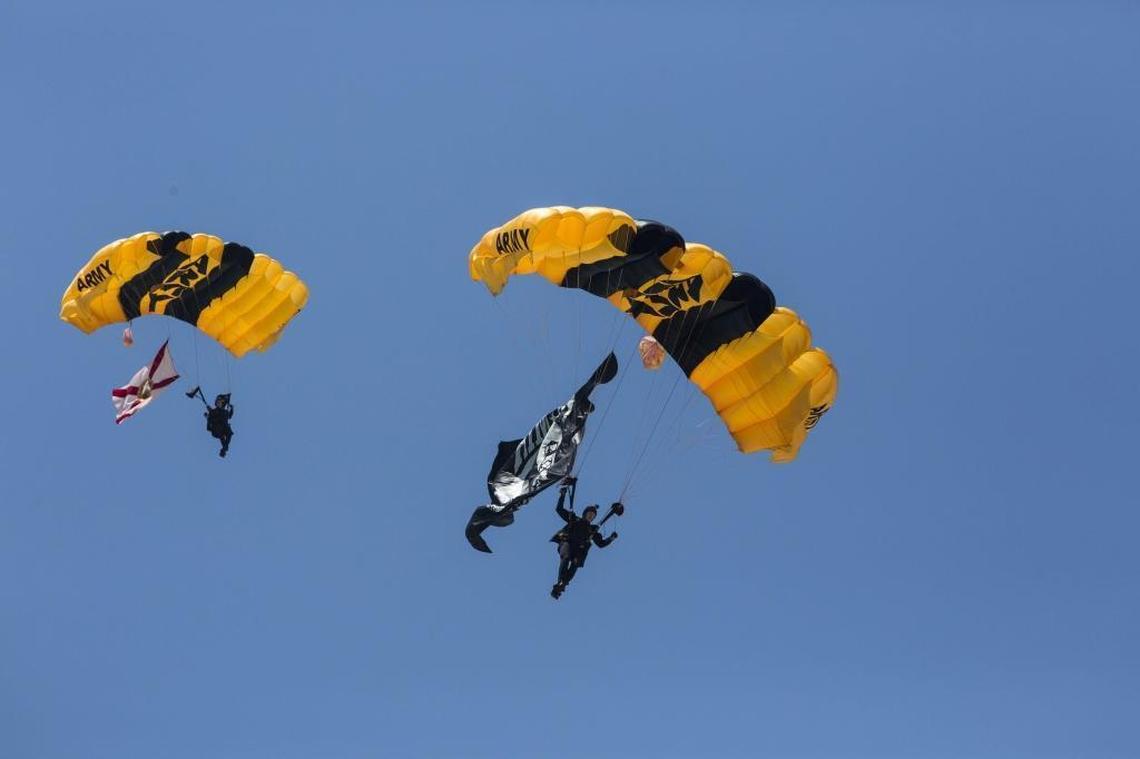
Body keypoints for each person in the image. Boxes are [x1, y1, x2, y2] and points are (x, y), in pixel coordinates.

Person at [549, 477, 618, 599]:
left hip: (580, 549)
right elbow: (559, 509)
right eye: (589, 513)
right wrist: (562, 495)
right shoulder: (574, 519)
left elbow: (601, 544)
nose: (591, 516)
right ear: (585, 514)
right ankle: (560, 582)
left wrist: (611, 539)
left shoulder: (592, 529)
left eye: (593, 515)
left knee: (576, 563)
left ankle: (563, 584)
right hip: (567, 543)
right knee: (566, 557)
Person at [186, 386, 235, 457]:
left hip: (223, 427)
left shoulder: (224, 412)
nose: (218, 403)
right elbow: (211, 419)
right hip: (218, 428)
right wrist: (208, 417)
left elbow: (229, 416)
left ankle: (224, 448)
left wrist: (232, 409)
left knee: (228, 434)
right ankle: (224, 448)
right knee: (222, 435)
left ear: (222, 404)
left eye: (220, 402)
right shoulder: (214, 411)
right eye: (218, 402)